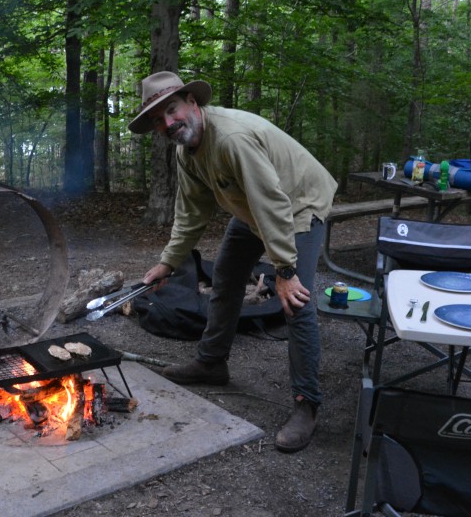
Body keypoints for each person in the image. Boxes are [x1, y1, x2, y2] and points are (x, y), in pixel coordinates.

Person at [128, 71, 338, 453]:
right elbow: (190, 214)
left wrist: (285, 271)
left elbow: (273, 203)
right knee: (225, 276)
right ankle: (212, 363)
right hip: (253, 208)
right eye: (158, 120)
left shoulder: (230, 139)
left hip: (297, 204)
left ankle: (307, 405)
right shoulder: (187, 151)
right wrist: (168, 264)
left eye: (171, 111)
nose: (168, 124)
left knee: (296, 301)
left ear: (193, 103)